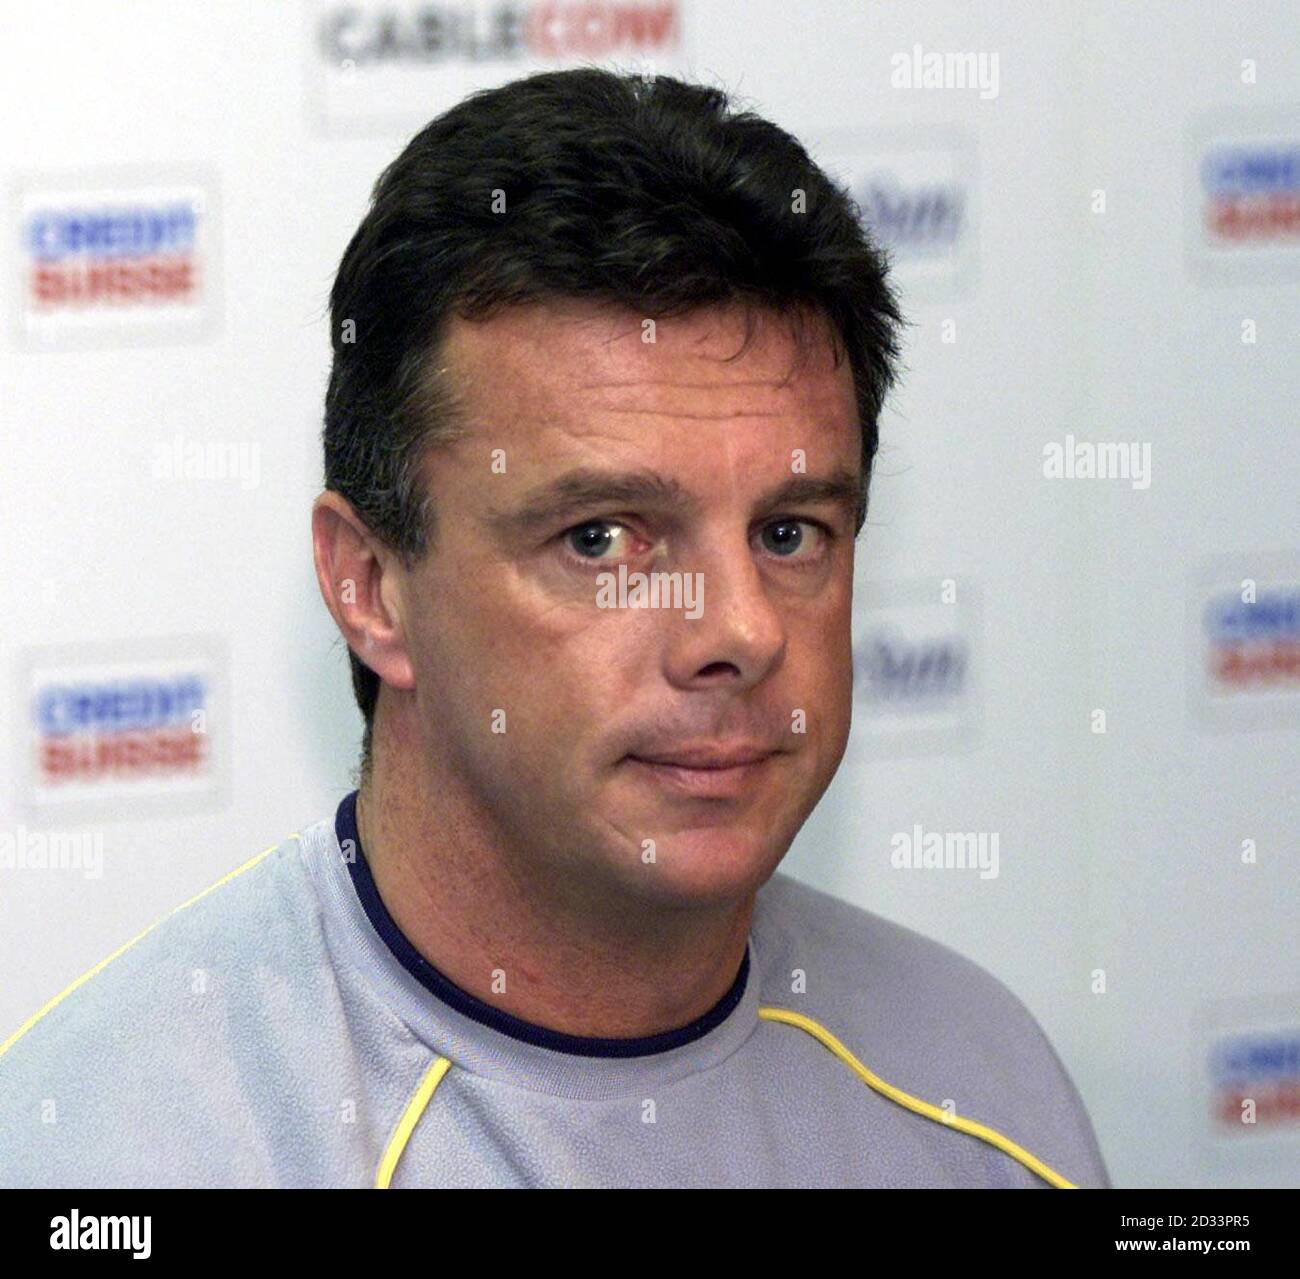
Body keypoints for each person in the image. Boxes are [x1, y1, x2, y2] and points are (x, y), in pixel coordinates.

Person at [0, 68, 1109, 1189]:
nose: (737, 630)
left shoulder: (983, 1091)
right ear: (372, 587)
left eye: (788, 533)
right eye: (601, 540)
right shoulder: (111, 1147)